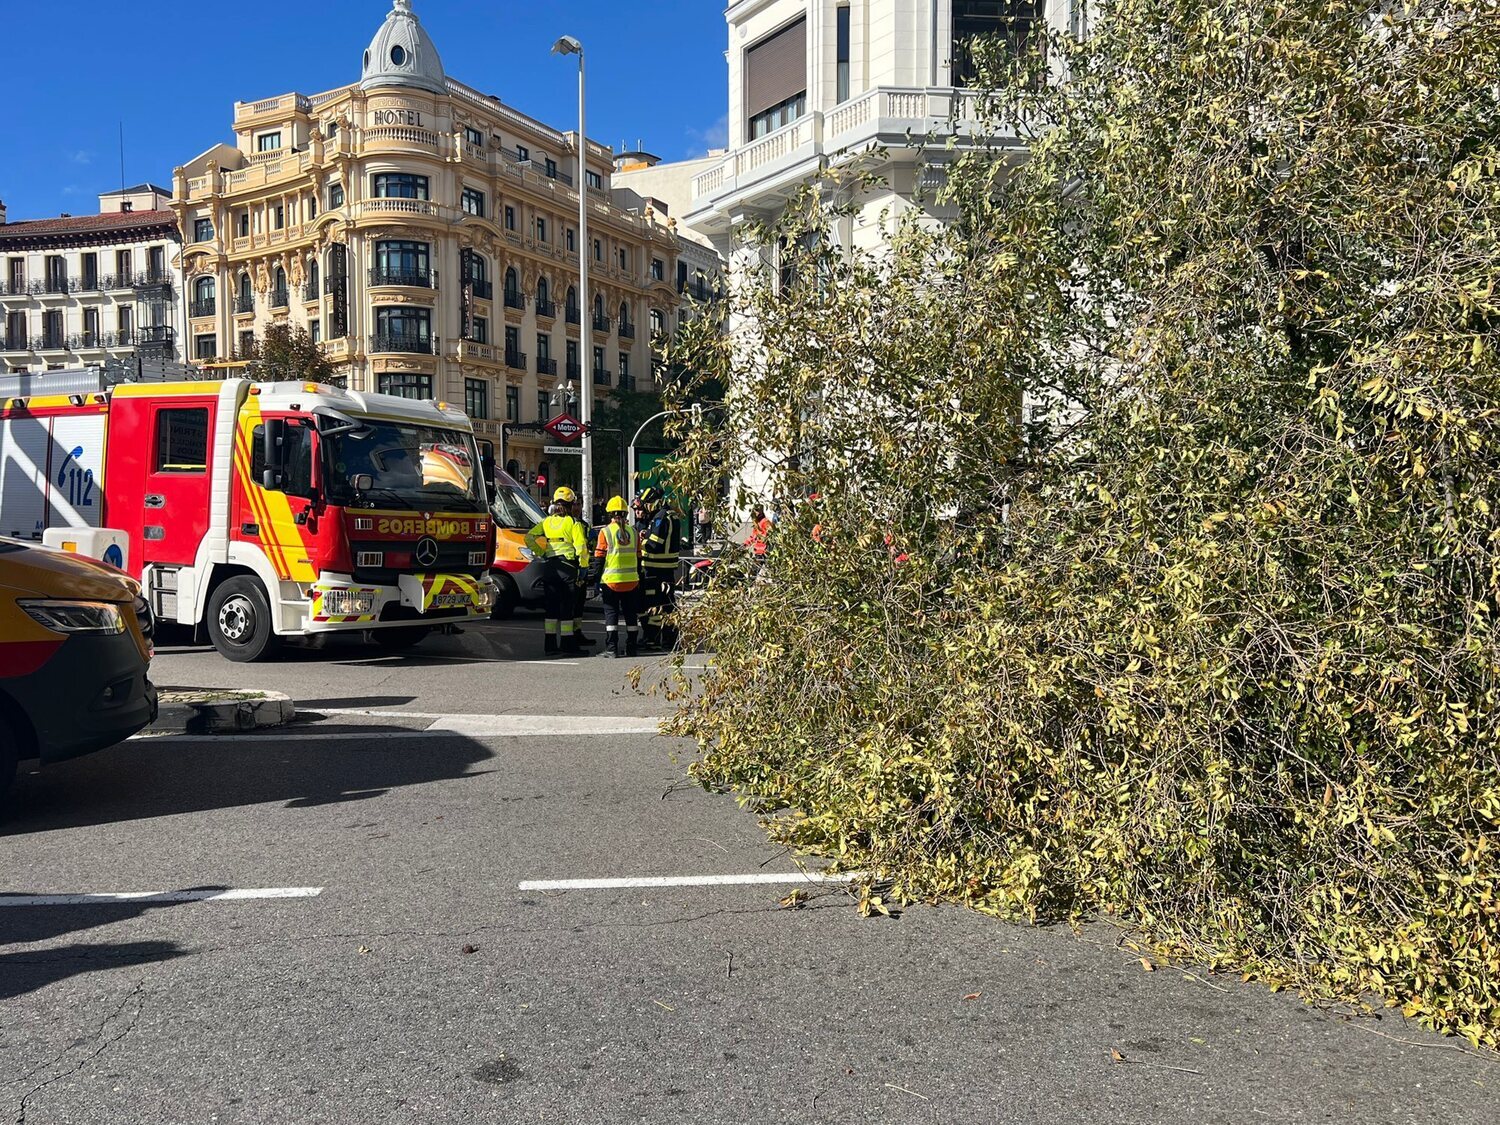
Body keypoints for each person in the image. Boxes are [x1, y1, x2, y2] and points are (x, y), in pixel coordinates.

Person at [523, 486, 588, 656]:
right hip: (568, 568)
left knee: (551, 610)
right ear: (570, 504)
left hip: (550, 568)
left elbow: (529, 537)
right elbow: (581, 548)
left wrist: (542, 552)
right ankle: (567, 644)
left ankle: (550, 646)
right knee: (567, 608)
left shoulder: (546, 522)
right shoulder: (573, 523)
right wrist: (583, 568)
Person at [587, 495, 641, 658]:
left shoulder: (605, 532)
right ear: (625, 513)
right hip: (631, 581)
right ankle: (632, 647)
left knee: (611, 615)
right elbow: (639, 557)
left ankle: (612, 648)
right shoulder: (633, 531)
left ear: (609, 514)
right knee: (631, 615)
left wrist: (594, 578)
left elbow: (599, 558)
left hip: (611, 582)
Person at [637, 486, 683, 650]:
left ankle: (653, 638)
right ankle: (670, 640)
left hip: (656, 568)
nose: (646, 507)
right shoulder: (671, 515)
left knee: (656, 604)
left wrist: (640, 543)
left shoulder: (660, 517)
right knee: (668, 604)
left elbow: (654, 544)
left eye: (647, 503)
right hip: (667, 568)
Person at [568, 494, 597, 647]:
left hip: (582, 569)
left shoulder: (584, 526)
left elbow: (592, 544)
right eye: (574, 504)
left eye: (579, 504)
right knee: (570, 606)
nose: (577, 508)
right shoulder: (568, 524)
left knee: (579, 605)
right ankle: (569, 636)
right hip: (571, 569)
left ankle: (577, 632)